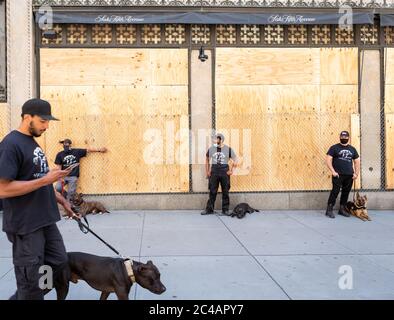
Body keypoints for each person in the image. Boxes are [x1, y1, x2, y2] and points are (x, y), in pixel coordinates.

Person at [0, 98, 78, 300]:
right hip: (26, 226)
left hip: (45, 220)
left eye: (48, 122)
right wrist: (46, 180)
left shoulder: (31, 143)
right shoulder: (11, 145)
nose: (47, 126)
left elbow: (38, 179)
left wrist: (62, 200)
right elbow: (3, 189)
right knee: (31, 280)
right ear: (28, 117)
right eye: (43, 121)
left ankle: (26, 296)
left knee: (58, 262)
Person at [325, 130, 360, 219]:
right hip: (338, 175)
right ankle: (329, 209)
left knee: (346, 192)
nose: (344, 138)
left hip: (349, 175)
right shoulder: (334, 148)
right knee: (335, 191)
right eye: (342, 136)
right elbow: (328, 160)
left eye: (345, 137)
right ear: (340, 137)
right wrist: (333, 171)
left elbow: (357, 161)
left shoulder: (352, 149)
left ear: (348, 138)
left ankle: (342, 209)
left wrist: (356, 173)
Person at [201, 133, 238, 216]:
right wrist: (207, 171)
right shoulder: (211, 149)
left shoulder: (228, 149)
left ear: (221, 140)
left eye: (216, 139)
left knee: (225, 191)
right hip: (214, 172)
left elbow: (235, 159)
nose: (214, 140)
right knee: (212, 191)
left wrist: (232, 170)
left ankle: (225, 210)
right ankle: (209, 209)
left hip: (224, 172)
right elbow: (207, 159)